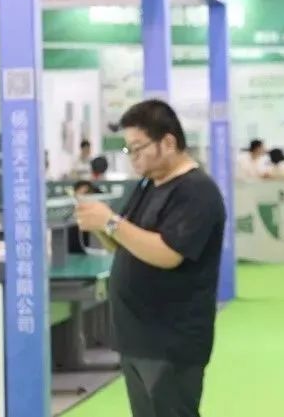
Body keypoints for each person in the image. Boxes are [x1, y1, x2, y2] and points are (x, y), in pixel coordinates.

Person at [75, 99, 225, 417]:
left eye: (138, 148)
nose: (133, 157)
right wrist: (99, 224)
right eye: (129, 149)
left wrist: (110, 222)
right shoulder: (148, 184)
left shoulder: (196, 191)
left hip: (170, 340)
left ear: (168, 142)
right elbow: (127, 243)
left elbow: (168, 253)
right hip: (137, 337)